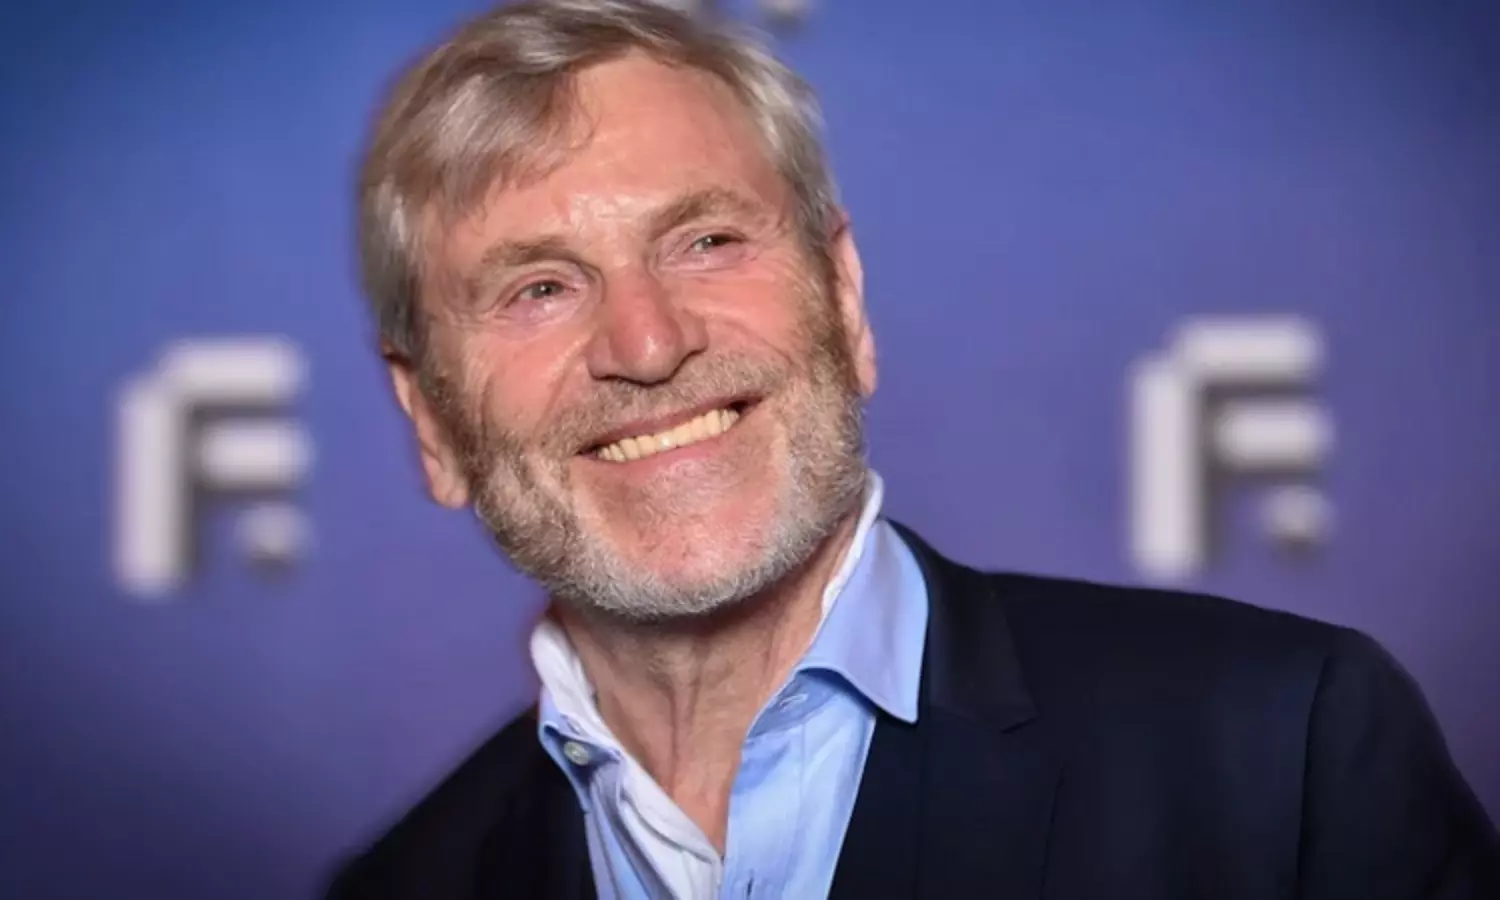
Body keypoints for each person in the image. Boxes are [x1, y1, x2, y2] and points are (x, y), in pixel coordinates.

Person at [326, 1, 1500, 897]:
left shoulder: (1283, 754)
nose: (646, 342)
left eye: (707, 241)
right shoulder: (398, 886)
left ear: (843, 299)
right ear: (431, 421)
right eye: (538, 288)